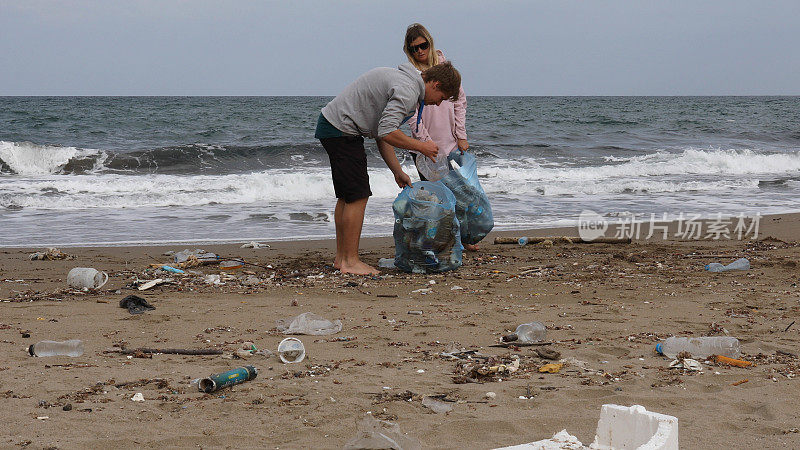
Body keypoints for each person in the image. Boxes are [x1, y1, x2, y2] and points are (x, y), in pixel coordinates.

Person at [315, 61, 462, 275]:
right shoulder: (408, 90)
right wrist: (422, 146)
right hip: (342, 129)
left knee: (347, 197)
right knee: (357, 196)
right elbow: (386, 132)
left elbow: (382, 133)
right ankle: (350, 261)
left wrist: (397, 171)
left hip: (333, 126)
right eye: (441, 98)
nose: (438, 104)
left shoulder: (406, 84)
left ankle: (342, 258)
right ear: (436, 84)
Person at [404, 23, 478, 250]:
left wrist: (461, 135)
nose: (419, 51)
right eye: (414, 48)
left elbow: (459, 101)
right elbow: (411, 114)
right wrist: (425, 142)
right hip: (424, 148)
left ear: (430, 42)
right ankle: (441, 240)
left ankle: (467, 236)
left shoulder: (446, 69)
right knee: (435, 198)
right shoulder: (411, 75)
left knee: (462, 193)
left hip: (451, 142)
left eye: (423, 45)